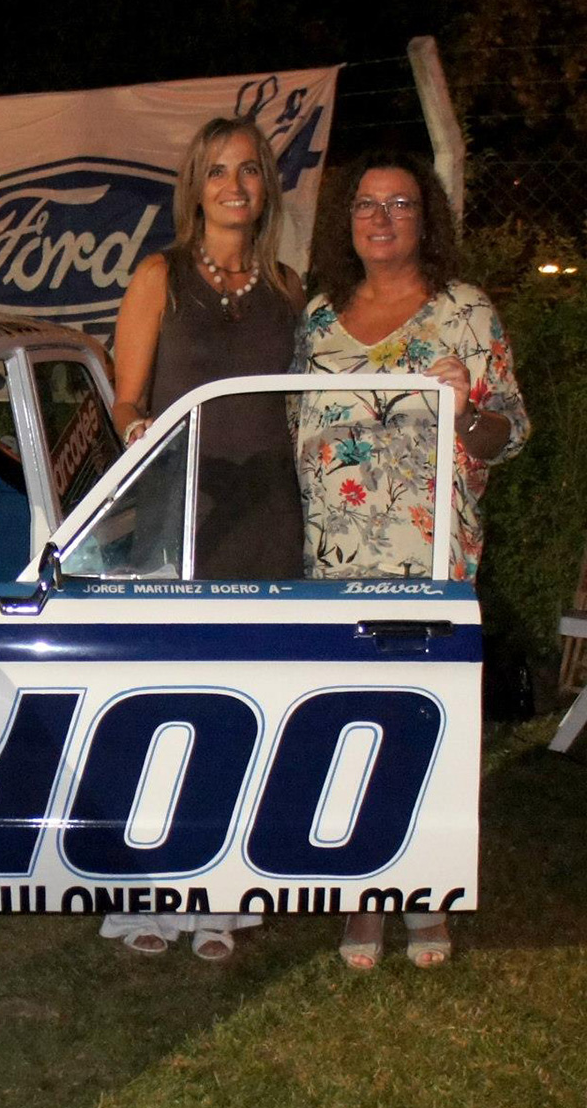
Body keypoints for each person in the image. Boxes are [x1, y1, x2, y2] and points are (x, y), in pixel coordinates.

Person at [293, 151, 529, 970]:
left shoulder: (465, 311)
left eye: (399, 203)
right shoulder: (319, 319)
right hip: (336, 565)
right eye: (366, 204)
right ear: (345, 221)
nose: (382, 218)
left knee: (427, 731)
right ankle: (362, 902)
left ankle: (425, 896)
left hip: (433, 562)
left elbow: (509, 433)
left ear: (425, 217)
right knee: (355, 729)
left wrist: (468, 413)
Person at [100, 115, 305, 962]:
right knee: (167, 698)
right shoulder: (160, 275)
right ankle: (152, 881)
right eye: (217, 170)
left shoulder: (294, 289)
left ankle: (222, 890)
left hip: (264, 518)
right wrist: (139, 427)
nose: (234, 185)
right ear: (196, 184)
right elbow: (122, 398)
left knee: (243, 702)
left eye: (249, 170)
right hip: (176, 516)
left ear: (266, 187)